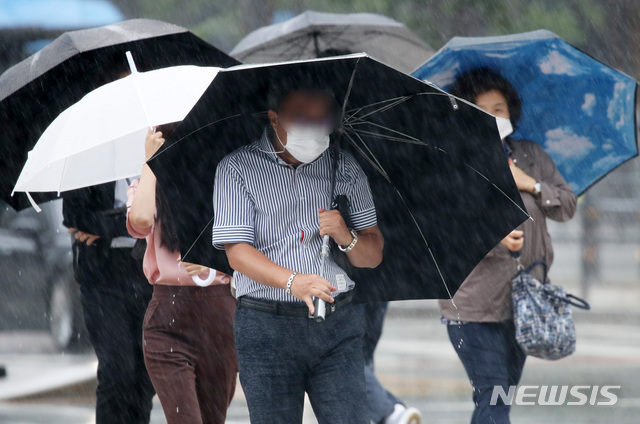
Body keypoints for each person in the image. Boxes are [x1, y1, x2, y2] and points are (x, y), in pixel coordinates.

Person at [212, 83, 385, 424]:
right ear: (274, 117)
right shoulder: (236, 169)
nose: (313, 125)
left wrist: (346, 237)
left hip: (338, 324)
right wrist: (294, 282)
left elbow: (373, 253)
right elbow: (237, 253)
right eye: (302, 116)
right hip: (266, 326)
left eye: (322, 118)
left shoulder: (345, 168)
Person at [440, 67, 577, 424]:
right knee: (494, 399)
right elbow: (442, 228)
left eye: (498, 108)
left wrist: (530, 184)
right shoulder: (455, 163)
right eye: (481, 109)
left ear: (510, 111)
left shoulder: (531, 154)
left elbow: (566, 206)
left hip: (526, 301)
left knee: (499, 400)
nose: (491, 116)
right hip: (473, 307)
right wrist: (492, 236)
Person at [126, 128, 237, 424]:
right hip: (168, 319)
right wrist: (151, 162)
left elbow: (251, 241)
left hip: (219, 317)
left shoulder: (223, 181)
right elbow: (140, 219)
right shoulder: (147, 185)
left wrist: (215, 264)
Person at [63, 182, 155, 424]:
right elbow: (73, 216)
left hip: (147, 273)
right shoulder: (90, 157)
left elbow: (167, 215)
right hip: (101, 276)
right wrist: (134, 223)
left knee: (145, 376)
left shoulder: (155, 155)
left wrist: (110, 225)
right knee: (117, 371)